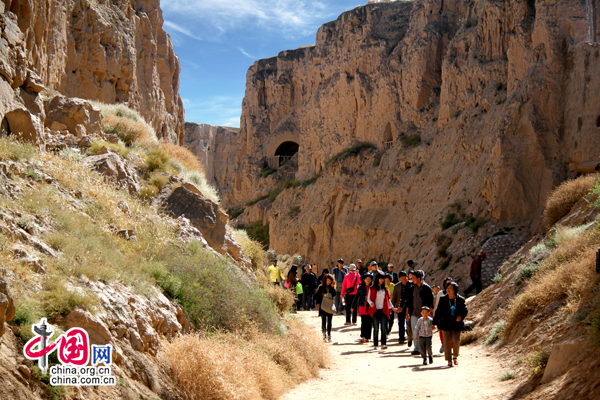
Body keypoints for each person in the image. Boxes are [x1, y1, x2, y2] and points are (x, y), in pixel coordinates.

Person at [433, 282, 468, 367]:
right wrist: (434, 322)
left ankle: (455, 357)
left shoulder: (460, 299)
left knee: (456, 340)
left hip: (456, 323)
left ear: (455, 290)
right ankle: (449, 360)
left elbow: (465, 310)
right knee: (447, 342)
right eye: (447, 288)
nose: (448, 289)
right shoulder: (443, 299)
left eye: (450, 288)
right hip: (445, 323)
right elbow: (439, 311)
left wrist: (461, 316)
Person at [410, 270, 434, 355]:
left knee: (424, 331)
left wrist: (430, 312)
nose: (412, 279)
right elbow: (409, 300)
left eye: (413, 278)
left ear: (419, 278)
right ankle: (417, 348)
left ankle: (424, 347)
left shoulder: (426, 288)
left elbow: (431, 301)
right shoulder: (412, 287)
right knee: (415, 330)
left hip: (424, 314)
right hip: (414, 312)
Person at [368, 273, 393, 350]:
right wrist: (371, 303)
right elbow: (368, 298)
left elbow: (388, 300)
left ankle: (383, 344)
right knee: (376, 328)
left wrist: (392, 307)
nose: (382, 280)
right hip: (375, 310)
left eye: (383, 279)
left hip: (383, 310)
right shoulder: (372, 288)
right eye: (381, 278)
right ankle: (375, 344)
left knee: (384, 328)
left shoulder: (385, 289)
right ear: (377, 279)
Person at [391, 270, 414, 344]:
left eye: (405, 277)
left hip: (410, 307)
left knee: (410, 323)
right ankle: (401, 337)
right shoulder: (397, 286)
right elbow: (394, 298)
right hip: (400, 307)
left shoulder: (411, 284)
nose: (404, 279)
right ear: (400, 278)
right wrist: (392, 308)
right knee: (401, 322)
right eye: (402, 278)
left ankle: (410, 336)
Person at [352, 272, 373, 343]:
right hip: (362, 306)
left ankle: (367, 337)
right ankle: (363, 336)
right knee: (364, 322)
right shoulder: (360, 287)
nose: (368, 280)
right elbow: (356, 297)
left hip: (370, 307)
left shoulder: (372, 287)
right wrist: (352, 306)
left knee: (369, 322)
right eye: (367, 278)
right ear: (363, 279)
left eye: (369, 278)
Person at [315, 274, 337, 342]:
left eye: (330, 281)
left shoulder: (332, 287)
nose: (328, 282)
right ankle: (324, 335)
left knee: (329, 321)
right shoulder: (321, 287)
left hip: (329, 306)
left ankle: (329, 335)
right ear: (325, 280)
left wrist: (333, 287)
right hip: (323, 306)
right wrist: (318, 303)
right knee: (323, 321)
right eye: (327, 280)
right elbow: (318, 296)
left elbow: (334, 294)